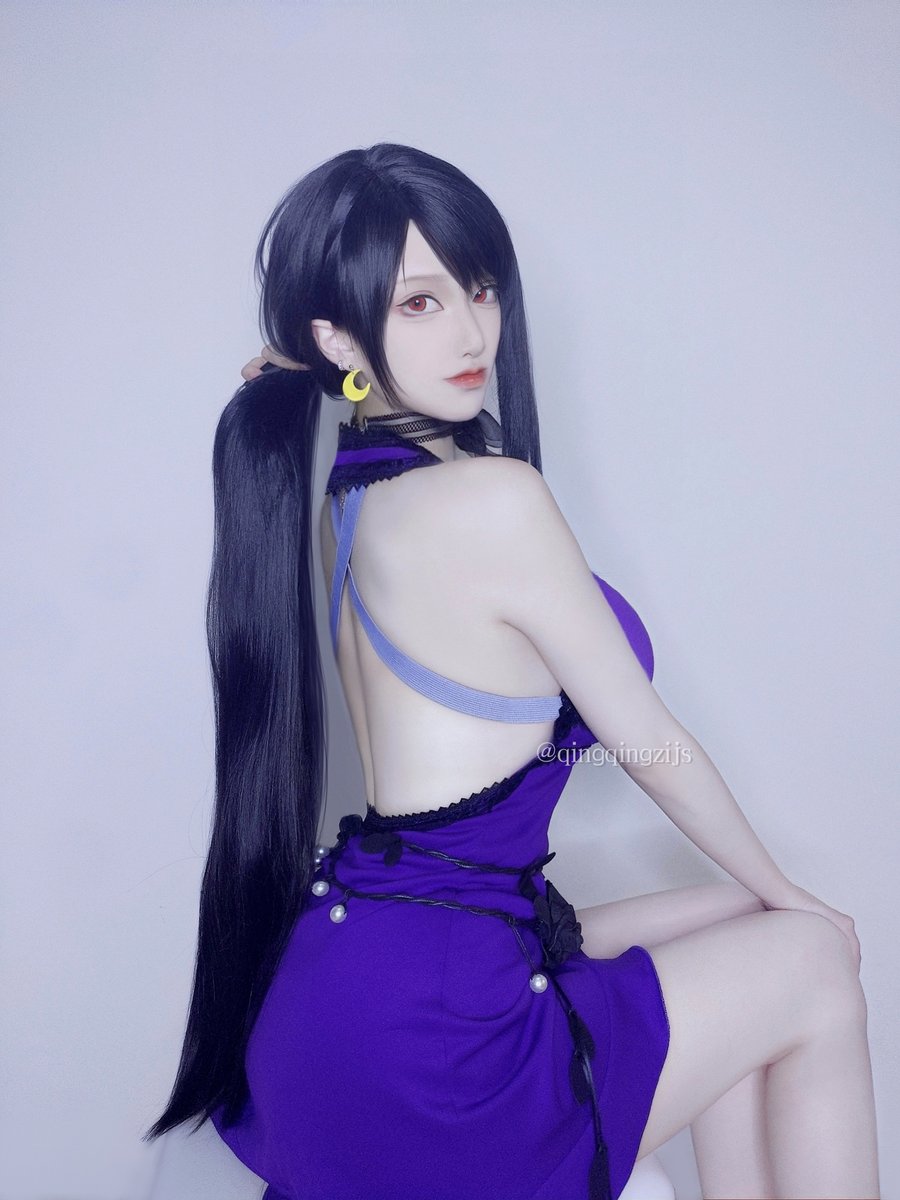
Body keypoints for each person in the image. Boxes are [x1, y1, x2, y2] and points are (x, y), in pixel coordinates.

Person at [143, 143, 880, 1200]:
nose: (472, 332)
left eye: (479, 289)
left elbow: (316, 376)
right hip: (439, 1033)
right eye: (420, 303)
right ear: (340, 335)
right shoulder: (493, 500)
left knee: (742, 934)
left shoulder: (348, 493)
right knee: (811, 958)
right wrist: (793, 892)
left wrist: (317, 355)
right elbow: (650, 744)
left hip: (365, 975)